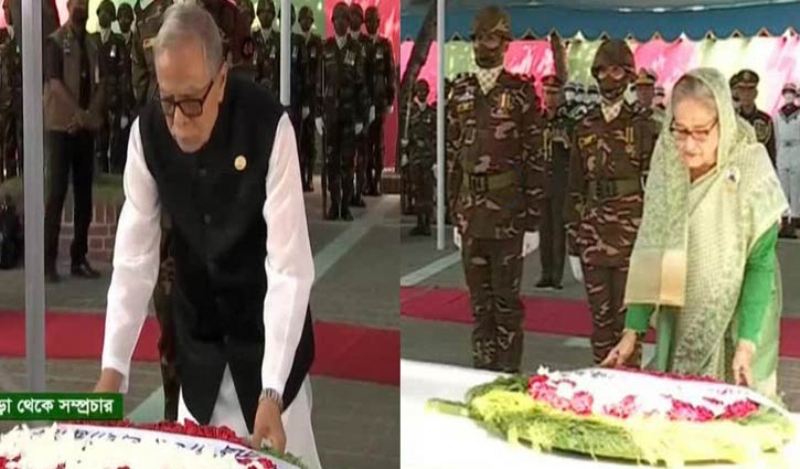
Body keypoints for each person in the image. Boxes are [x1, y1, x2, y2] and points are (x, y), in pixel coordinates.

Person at [93, 5, 319, 465]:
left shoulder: (268, 127)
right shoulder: (147, 134)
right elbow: (134, 260)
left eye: (192, 101)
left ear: (221, 77)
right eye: (167, 99)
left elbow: (289, 268)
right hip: (199, 352)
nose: (178, 119)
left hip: (268, 347)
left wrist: (272, 391)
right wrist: (112, 373)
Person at [602, 68, 788, 398]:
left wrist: (747, 342)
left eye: (701, 132)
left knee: (740, 406)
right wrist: (633, 329)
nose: (688, 145)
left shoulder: (750, 166)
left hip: (744, 311)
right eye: (680, 130)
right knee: (682, 400)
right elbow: (652, 244)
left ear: (724, 124)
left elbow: (759, 265)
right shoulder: (667, 159)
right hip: (682, 296)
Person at [447, 6, 543, 373]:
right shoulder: (460, 91)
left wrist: (533, 221)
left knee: (506, 304)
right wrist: (454, 212)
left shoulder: (520, 94)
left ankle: (508, 379)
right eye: (477, 38)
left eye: (490, 38)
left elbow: (535, 158)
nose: (482, 46)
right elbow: (454, 155)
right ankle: (482, 375)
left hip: (507, 214)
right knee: (479, 305)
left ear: (505, 44)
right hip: (472, 213)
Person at [563, 39, 658, 365]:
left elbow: (657, 189)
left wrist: (654, 242)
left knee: (629, 327)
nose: (608, 78)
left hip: (631, 237)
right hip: (593, 235)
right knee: (600, 324)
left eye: (616, 70)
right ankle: (601, 387)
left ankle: (628, 392)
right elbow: (575, 186)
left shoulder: (644, 126)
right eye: (601, 71)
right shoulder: (585, 124)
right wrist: (572, 240)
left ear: (629, 75)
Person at [43, 0, 105, 283]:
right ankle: (47, 262)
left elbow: (102, 83)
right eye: (76, 1)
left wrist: (89, 114)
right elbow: (54, 84)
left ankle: (79, 259)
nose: (81, 5)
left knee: (84, 197)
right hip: (60, 128)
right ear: (68, 6)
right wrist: (78, 113)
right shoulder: (55, 42)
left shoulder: (93, 44)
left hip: (83, 130)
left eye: (85, 1)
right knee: (56, 194)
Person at [317, 2, 367, 221]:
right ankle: (333, 203)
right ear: (332, 22)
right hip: (329, 115)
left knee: (348, 162)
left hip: (348, 115)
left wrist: (361, 117)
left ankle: (345, 205)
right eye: (338, 19)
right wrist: (318, 114)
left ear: (349, 23)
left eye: (345, 19)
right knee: (330, 162)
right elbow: (317, 84)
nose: (341, 23)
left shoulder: (356, 50)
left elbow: (362, 86)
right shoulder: (324, 49)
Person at [535, 75, 571, 290]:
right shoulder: (537, 121)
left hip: (560, 183)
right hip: (542, 182)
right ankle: (545, 272)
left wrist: (567, 143)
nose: (550, 97)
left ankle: (556, 275)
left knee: (558, 231)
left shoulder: (568, 121)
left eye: (554, 93)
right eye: (547, 92)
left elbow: (578, 153)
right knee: (544, 231)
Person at [363, 6, 395, 196]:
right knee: (365, 144)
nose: (371, 24)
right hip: (365, 101)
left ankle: (377, 181)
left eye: (374, 21)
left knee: (378, 142)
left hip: (380, 99)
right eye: (368, 21)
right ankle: (367, 181)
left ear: (379, 22)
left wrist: (390, 99)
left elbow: (390, 73)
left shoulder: (385, 44)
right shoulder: (362, 44)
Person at [90, 0, 125, 173]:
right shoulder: (91, 39)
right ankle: (101, 172)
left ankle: (115, 173)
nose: (104, 15)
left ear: (112, 17)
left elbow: (124, 72)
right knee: (98, 139)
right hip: (95, 97)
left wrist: (124, 101)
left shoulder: (117, 41)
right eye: (101, 12)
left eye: (107, 12)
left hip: (113, 97)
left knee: (115, 138)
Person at [298, 6, 322, 192]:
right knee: (299, 139)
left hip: (313, 95)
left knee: (310, 139)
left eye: (308, 19)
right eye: (303, 19)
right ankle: (300, 175)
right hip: (299, 96)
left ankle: (309, 177)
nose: (306, 22)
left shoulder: (317, 42)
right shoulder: (296, 41)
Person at [407, 80, 435, 236]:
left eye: (425, 90)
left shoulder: (432, 113)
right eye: (420, 90)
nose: (422, 93)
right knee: (417, 190)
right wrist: (404, 153)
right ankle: (419, 222)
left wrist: (436, 159)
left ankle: (427, 224)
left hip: (428, 158)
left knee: (428, 191)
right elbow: (405, 136)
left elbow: (436, 136)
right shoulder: (410, 112)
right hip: (415, 157)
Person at [111, 2, 137, 174]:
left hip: (136, 95)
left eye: (127, 17)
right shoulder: (116, 42)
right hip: (119, 96)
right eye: (120, 17)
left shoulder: (137, 40)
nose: (123, 20)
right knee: (118, 134)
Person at [348, 3, 369, 208]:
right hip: (343, 107)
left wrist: (368, 108)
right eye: (350, 16)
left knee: (362, 152)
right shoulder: (342, 44)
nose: (353, 20)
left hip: (362, 104)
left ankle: (359, 191)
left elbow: (368, 78)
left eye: (356, 16)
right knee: (345, 155)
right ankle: (345, 195)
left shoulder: (364, 44)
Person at [734, 70, 776, 166]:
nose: (746, 94)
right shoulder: (731, 119)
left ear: (756, 93)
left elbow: (771, 153)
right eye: (742, 90)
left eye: (750, 89)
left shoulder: (765, 120)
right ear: (737, 93)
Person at [775, 82, 800, 239]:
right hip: (784, 149)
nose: (788, 95)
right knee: (783, 187)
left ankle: (796, 218)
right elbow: (777, 135)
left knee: (796, 186)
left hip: (797, 148)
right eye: (786, 92)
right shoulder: (778, 114)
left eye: (791, 92)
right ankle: (785, 220)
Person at [0, 0, 21, 181]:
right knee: (6, 145)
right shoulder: (1, 37)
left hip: (23, 101)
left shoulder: (26, 37)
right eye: (4, 8)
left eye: (9, 7)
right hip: (4, 102)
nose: (6, 11)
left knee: (24, 144)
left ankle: (22, 181)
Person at [253, 0, 279, 94]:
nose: (266, 15)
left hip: (276, 91)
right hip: (255, 90)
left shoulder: (279, 38)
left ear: (273, 16)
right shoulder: (252, 38)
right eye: (263, 12)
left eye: (269, 12)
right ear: (258, 15)